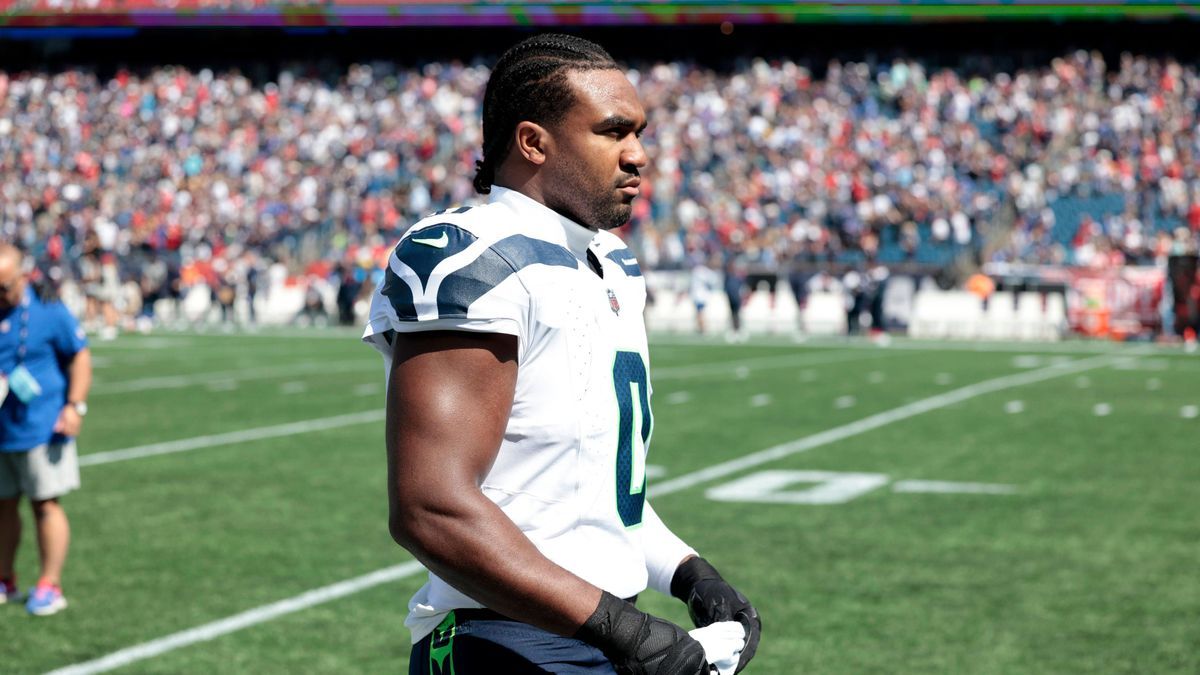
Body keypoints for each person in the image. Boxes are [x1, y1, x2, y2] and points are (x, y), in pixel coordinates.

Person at [362, 34, 761, 675]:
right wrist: (623, 629)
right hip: (503, 642)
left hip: (591, 634)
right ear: (533, 142)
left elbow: (592, 489)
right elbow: (431, 507)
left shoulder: (609, 262)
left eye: (640, 132)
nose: (638, 156)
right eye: (613, 132)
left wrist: (689, 574)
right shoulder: (472, 254)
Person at [0, 244, 91, 616]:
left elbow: (80, 356)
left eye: (4, 286)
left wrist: (75, 405)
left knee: (45, 504)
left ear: (23, 276)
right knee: (3, 505)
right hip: (3, 427)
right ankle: (5, 578)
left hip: (42, 425)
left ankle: (49, 584)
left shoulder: (50, 310)